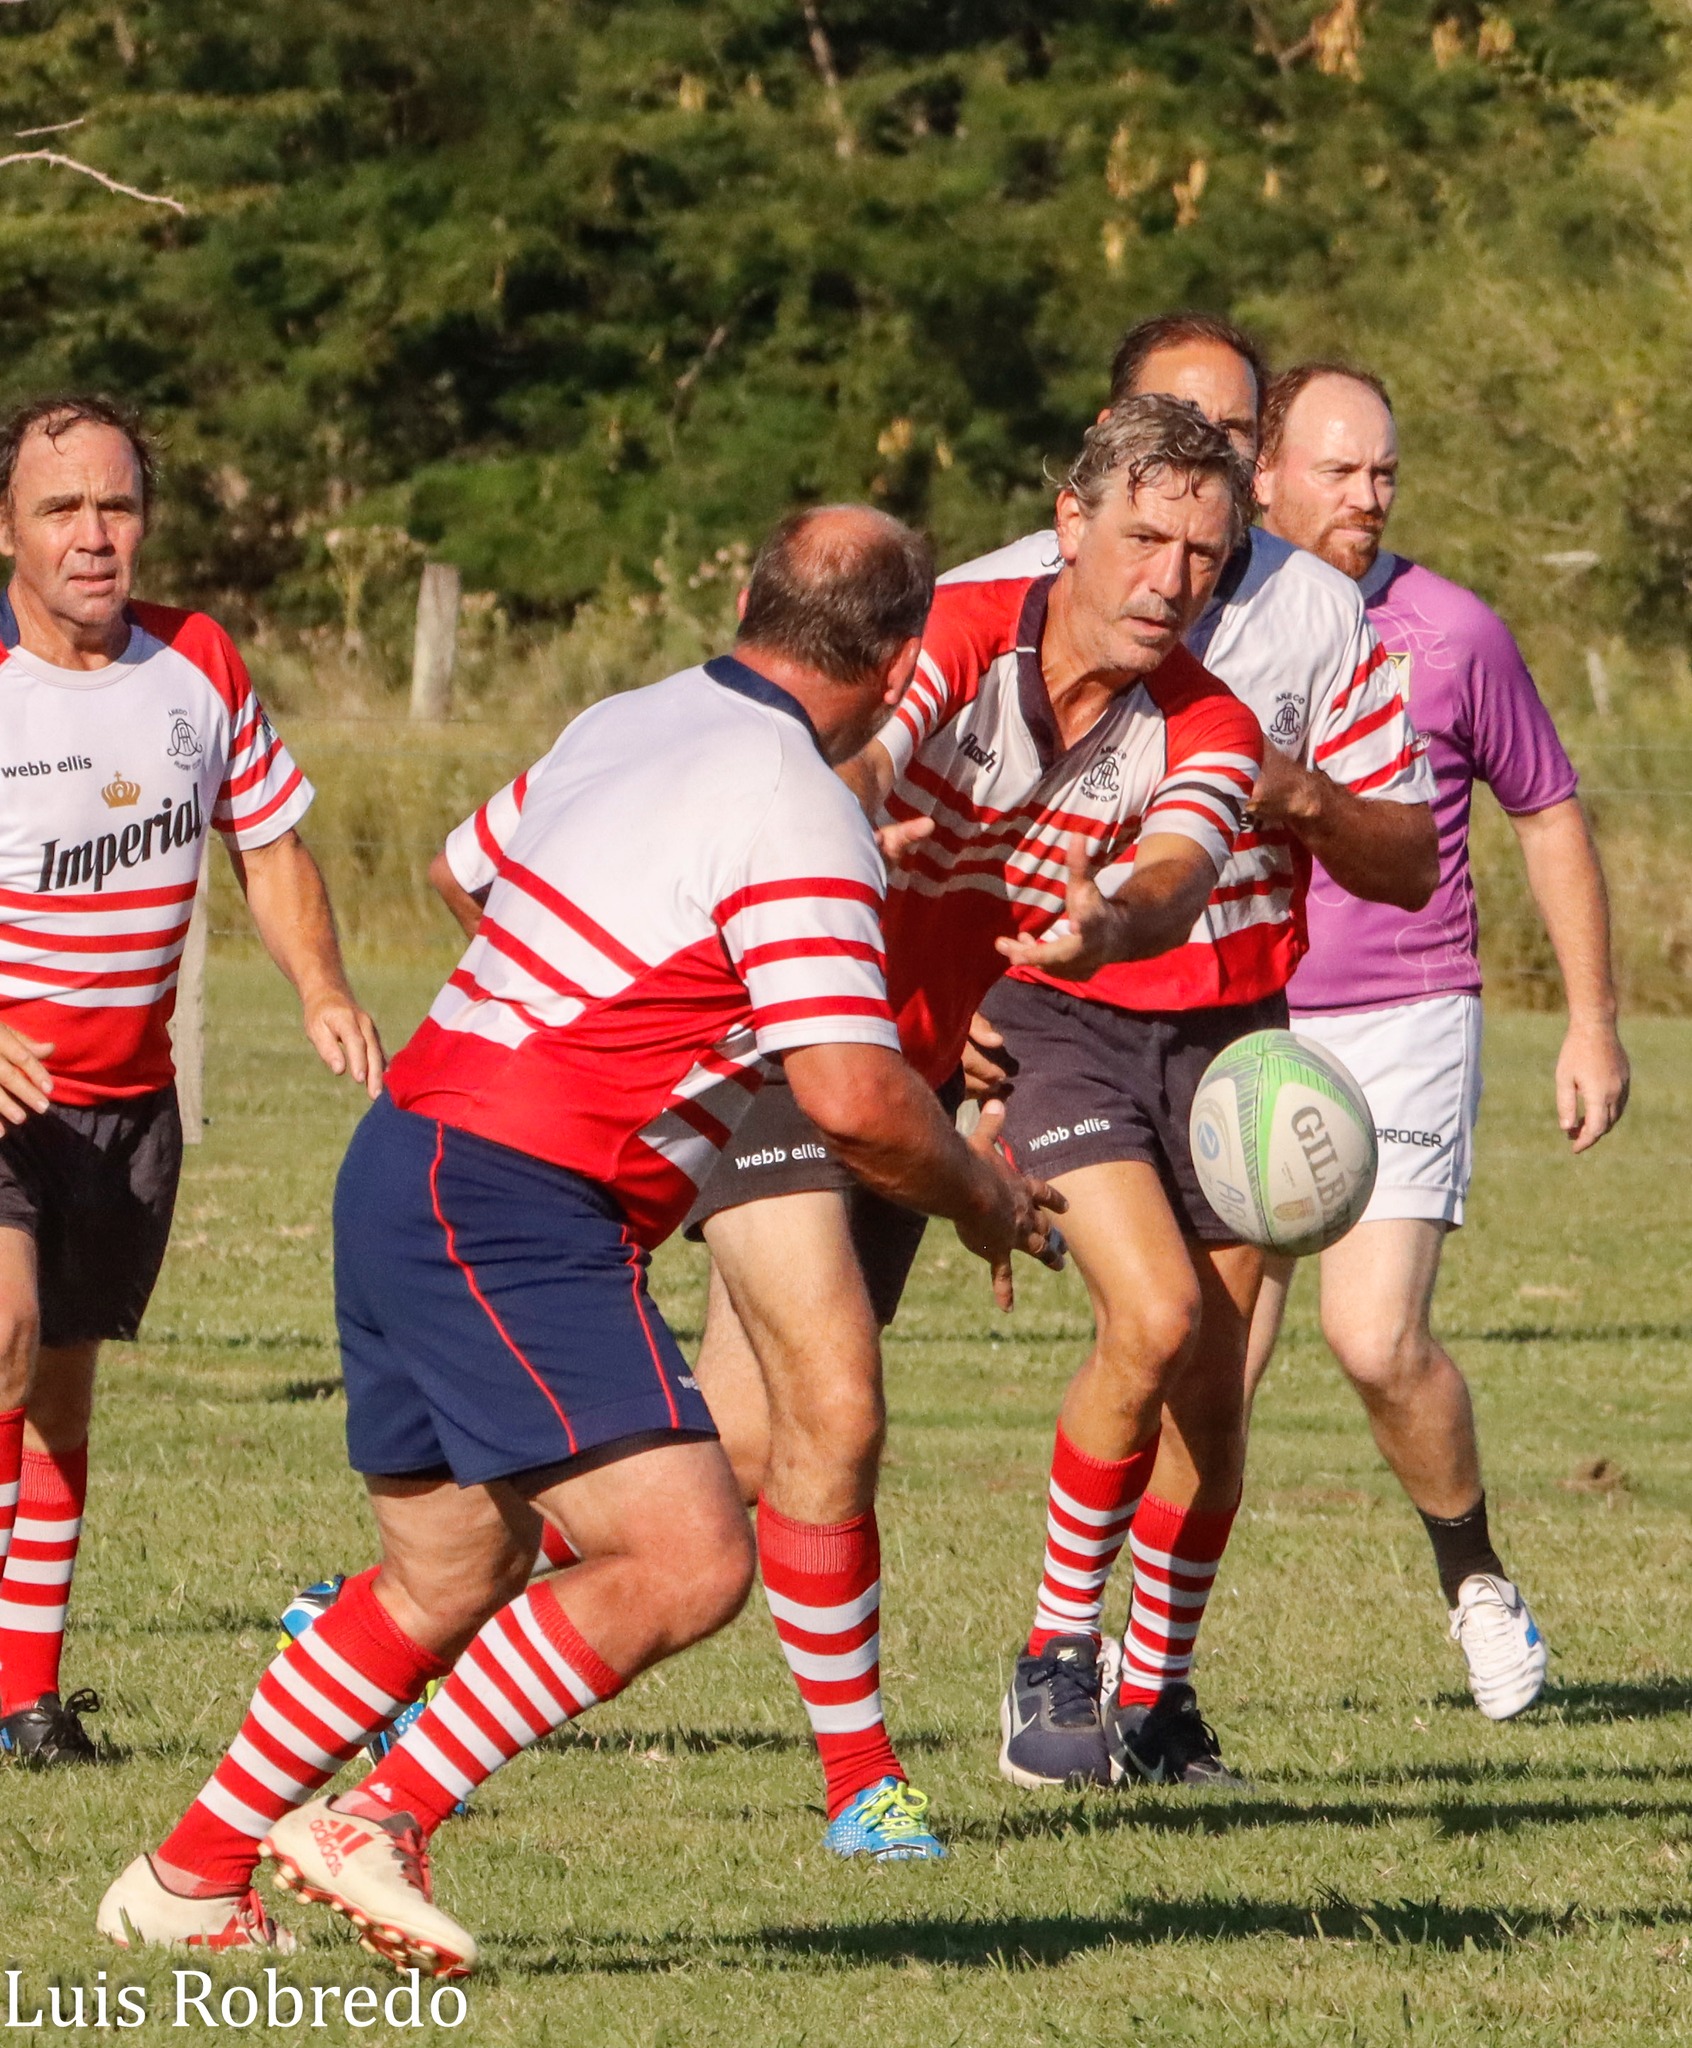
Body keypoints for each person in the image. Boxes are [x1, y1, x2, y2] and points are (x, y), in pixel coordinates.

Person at [98, 505, 1063, 1969]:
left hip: (405, 1160)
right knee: (688, 1558)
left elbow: (461, 870)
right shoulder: (800, 808)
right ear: (899, 662)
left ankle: (188, 1876)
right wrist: (988, 1200)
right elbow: (857, 1100)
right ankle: (380, 1818)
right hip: (515, 1196)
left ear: (749, 604)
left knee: (447, 1575)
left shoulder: (634, 715)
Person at [669, 394, 1266, 1851]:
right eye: (1144, 539)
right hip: (786, 1036)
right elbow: (875, 750)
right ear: (1071, 522)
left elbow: (1179, 871)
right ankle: (865, 1783)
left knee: (733, 1457)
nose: (1170, 580)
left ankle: (405, 1602)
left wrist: (1109, 922)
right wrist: (845, 815)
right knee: (837, 1399)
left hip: (913, 1080)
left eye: (1204, 554)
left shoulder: (1209, 720)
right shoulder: (960, 631)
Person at [975, 313, 1440, 1793]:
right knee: (1154, 1314)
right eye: (1184, 430)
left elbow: (1412, 860)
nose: (1210, 460)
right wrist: (944, 1013)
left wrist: (1301, 799)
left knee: (1213, 1403)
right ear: (1107, 453)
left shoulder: (1319, 612)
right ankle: (1054, 1658)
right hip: (1058, 1013)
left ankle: (1158, 1704)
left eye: (1238, 438)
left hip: (1238, 1036)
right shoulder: (1005, 594)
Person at [0, 395, 382, 1769]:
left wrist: (320, 985)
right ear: (7, 527)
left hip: (127, 1103)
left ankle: (26, 1700)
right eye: (60, 508)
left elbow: (267, 846)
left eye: (116, 505)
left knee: (60, 1392)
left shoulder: (198, 661)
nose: (93, 535)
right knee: (4, 1333)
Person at [1246, 362, 1629, 1717]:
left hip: (1408, 1012)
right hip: (1239, 1017)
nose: (1369, 495)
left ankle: (1476, 1583)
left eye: (1386, 472)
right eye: (1339, 470)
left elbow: (1549, 809)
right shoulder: (1206, 621)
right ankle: (1137, 1660)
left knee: (1374, 1339)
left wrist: (1591, 1021)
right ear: (1263, 476)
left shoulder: (1454, 631)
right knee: (1207, 1350)